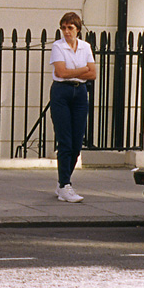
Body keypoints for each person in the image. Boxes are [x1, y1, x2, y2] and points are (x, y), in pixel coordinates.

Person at [50, 11, 97, 203]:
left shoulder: (85, 46)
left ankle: (63, 182)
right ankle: (65, 185)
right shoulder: (57, 46)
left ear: (77, 29)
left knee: (77, 143)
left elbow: (93, 74)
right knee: (65, 141)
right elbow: (61, 73)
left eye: (70, 28)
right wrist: (82, 70)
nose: (66, 31)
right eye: (63, 28)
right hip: (62, 92)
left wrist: (78, 72)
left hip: (80, 93)